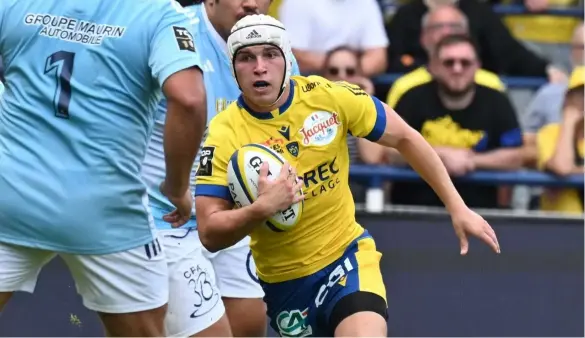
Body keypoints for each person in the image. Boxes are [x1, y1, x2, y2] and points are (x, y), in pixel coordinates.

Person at [194, 14, 500, 337]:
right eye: (246, 57)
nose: (259, 67)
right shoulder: (222, 133)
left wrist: (457, 206)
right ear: (233, 67)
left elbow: (406, 137)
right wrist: (262, 208)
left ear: (287, 58)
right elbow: (209, 232)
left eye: (270, 54)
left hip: (347, 259)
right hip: (286, 285)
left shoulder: (328, 97)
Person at [0, 0, 206, 336]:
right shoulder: (159, 13)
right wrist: (177, 187)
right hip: (104, 211)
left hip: (11, 199)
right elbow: (189, 98)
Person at [142, 0, 299, 336]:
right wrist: (175, 186)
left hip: (232, 214)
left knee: (250, 325)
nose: (252, 4)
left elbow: (288, 128)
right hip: (164, 217)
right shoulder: (171, 31)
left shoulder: (276, 47)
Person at [388, 34, 523, 209]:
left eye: (465, 62)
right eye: (449, 62)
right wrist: (440, 155)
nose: (457, 69)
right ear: (434, 67)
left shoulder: (497, 101)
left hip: (480, 213)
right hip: (414, 209)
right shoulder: (412, 98)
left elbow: (516, 157)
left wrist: (473, 161)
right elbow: (391, 153)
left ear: (477, 66)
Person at [536, 65, 584, 214]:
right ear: (567, 99)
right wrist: (569, 120)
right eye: (580, 94)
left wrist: (574, 170)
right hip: (560, 227)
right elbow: (562, 167)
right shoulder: (549, 133)